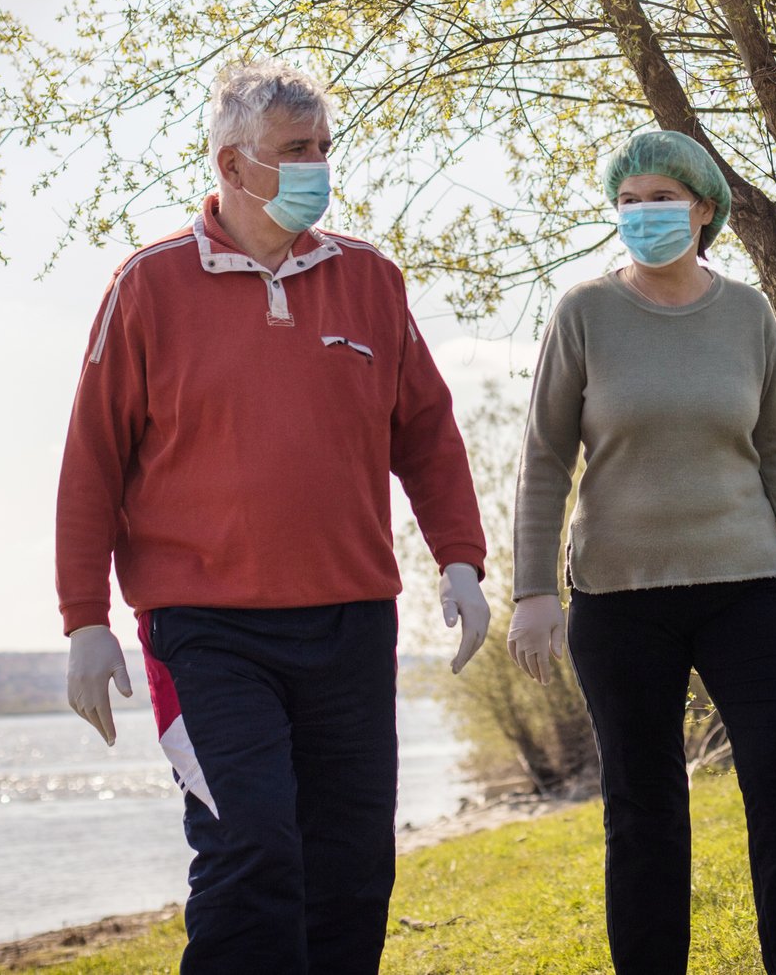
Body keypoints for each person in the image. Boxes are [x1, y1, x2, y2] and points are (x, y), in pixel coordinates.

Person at [54, 57, 491, 975]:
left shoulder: (370, 279)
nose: (316, 168)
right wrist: (85, 621)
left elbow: (427, 432)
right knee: (252, 850)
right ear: (231, 164)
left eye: (323, 148)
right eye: (295, 150)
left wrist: (460, 558)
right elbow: (90, 460)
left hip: (351, 624)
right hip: (206, 632)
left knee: (350, 868)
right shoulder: (147, 288)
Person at [507, 127, 776, 975]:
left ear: (702, 208)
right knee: (644, 808)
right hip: (619, 601)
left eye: (660, 199)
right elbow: (544, 457)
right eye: (627, 201)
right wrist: (531, 590)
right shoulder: (582, 312)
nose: (642, 215)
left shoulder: (746, 314)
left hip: (747, 587)